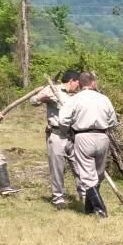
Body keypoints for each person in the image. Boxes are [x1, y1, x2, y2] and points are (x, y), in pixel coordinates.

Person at [58, 71, 117, 217]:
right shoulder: (104, 98)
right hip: (102, 136)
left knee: (87, 176)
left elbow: (63, 120)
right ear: (93, 82)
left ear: (80, 83)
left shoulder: (75, 99)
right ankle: (89, 209)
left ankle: (100, 209)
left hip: (83, 136)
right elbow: (113, 121)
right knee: (98, 174)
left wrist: (68, 132)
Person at [29, 69, 81, 208]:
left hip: (74, 136)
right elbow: (32, 101)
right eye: (77, 83)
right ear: (71, 81)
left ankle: (85, 195)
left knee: (79, 167)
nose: (79, 85)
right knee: (57, 168)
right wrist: (41, 98)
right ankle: (58, 199)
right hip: (57, 134)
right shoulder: (53, 89)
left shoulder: (77, 95)